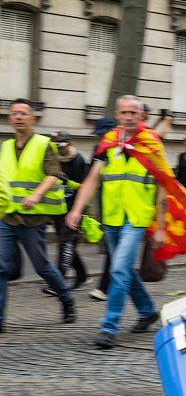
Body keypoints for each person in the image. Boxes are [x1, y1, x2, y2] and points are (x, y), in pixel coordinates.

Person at [64, 96, 164, 349]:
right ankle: (147, 310)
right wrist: (76, 210)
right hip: (111, 217)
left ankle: (109, 326)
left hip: (137, 217)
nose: (129, 117)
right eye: (124, 112)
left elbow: (164, 185)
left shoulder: (152, 143)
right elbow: (91, 180)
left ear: (142, 116)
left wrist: (160, 225)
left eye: (134, 112)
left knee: (118, 269)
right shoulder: (108, 143)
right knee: (125, 270)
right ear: (117, 115)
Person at [0, 100, 77, 332]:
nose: (18, 117)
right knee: (1, 267)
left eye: (23, 113)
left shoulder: (44, 145)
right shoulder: (5, 146)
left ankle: (66, 299)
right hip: (7, 218)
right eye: (14, 113)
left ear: (33, 118)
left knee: (42, 267)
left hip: (33, 219)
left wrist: (35, 195)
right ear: (10, 118)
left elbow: (53, 175)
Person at [49, 131, 88, 292]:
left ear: (69, 143)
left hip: (74, 210)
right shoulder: (52, 161)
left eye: (61, 145)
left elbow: (85, 188)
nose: (59, 149)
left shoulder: (78, 161)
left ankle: (58, 283)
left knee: (65, 245)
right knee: (68, 245)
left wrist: (66, 181)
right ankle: (82, 275)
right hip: (58, 209)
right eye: (55, 146)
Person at [87, 116, 116, 301]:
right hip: (107, 205)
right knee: (115, 251)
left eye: (100, 134)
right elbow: (91, 178)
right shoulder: (99, 149)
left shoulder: (124, 148)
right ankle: (110, 287)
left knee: (115, 251)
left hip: (126, 209)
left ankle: (104, 288)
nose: (98, 138)